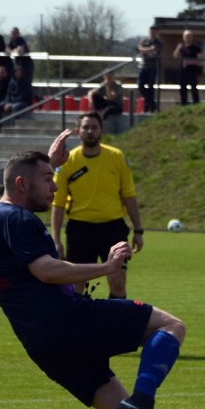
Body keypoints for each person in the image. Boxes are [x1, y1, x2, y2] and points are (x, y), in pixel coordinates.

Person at [0, 139, 197, 409]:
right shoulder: (20, 219)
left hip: (42, 344)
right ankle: (144, 400)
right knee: (170, 326)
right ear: (22, 184)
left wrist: (50, 162)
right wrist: (107, 267)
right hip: (67, 321)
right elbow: (46, 270)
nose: (56, 186)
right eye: (48, 179)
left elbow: (17, 181)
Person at [50, 112, 144, 299]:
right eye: (86, 127)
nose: (90, 131)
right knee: (76, 286)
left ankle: (116, 326)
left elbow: (129, 196)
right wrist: (56, 238)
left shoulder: (116, 157)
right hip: (80, 230)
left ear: (101, 130)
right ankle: (77, 326)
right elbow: (58, 203)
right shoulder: (68, 161)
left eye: (94, 127)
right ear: (78, 131)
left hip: (113, 229)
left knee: (117, 283)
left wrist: (138, 231)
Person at [0, 66, 33, 131]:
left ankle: (12, 128)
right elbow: (8, 94)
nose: (17, 74)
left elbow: (24, 96)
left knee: (15, 107)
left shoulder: (26, 83)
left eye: (19, 72)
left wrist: (11, 103)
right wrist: (7, 102)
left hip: (22, 102)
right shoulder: (12, 82)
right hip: (11, 102)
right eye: (16, 72)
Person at [137, 27, 163, 113]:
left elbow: (154, 55)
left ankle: (148, 108)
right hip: (143, 67)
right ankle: (152, 104)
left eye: (154, 32)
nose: (152, 33)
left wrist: (145, 50)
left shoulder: (159, 43)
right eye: (151, 31)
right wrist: (149, 50)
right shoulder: (144, 40)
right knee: (140, 86)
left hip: (152, 68)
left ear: (156, 32)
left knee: (150, 88)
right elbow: (139, 49)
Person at [173, 30, 202, 106]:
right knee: (182, 89)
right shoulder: (181, 47)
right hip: (183, 70)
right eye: (186, 37)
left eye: (189, 37)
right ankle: (183, 104)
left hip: (192, 71)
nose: (188, 38)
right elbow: (175, 56)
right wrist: (177, 48)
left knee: (193, 89)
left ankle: (196, 104)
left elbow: (201, 60)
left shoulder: (196, 48)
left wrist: (192, 62)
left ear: (192, 38)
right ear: (183, 38)